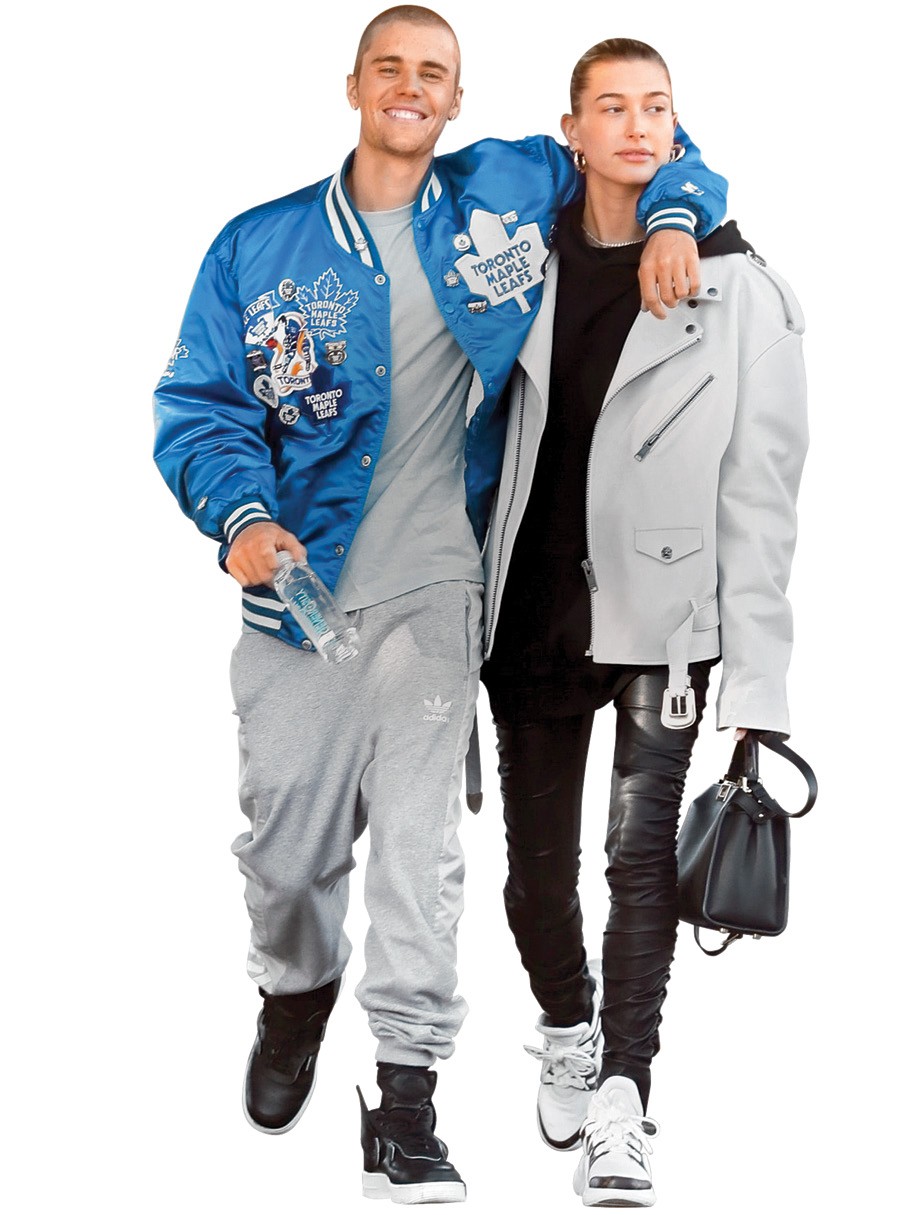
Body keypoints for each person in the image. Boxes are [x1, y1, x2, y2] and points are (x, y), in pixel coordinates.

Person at [153, 7, 726, 1204]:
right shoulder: (257, 246)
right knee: (288, 857)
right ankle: (295, 994)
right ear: (354, 86)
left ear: (458, 100)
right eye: (391, 69)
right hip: (296, 602)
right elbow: (199, 404)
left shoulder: (502, 188)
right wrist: (241, 516)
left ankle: (405, 1105)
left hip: (442, 587)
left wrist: (676, 217)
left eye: (434, 74)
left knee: (421, 854)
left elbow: (655, 146)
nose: (412, 88)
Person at [480, 38, 808, 1208]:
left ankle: (625, 1095)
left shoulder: (739, 287)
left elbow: (762, 499)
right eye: (610, 107)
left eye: (655, 107)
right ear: (571, 130)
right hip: (527, 606)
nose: (635, 126)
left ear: (678, 129)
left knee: (638, 861)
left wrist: (758, 692)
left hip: (665, 620)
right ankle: (567, 1026)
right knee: (535, 878)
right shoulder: (513, 264)